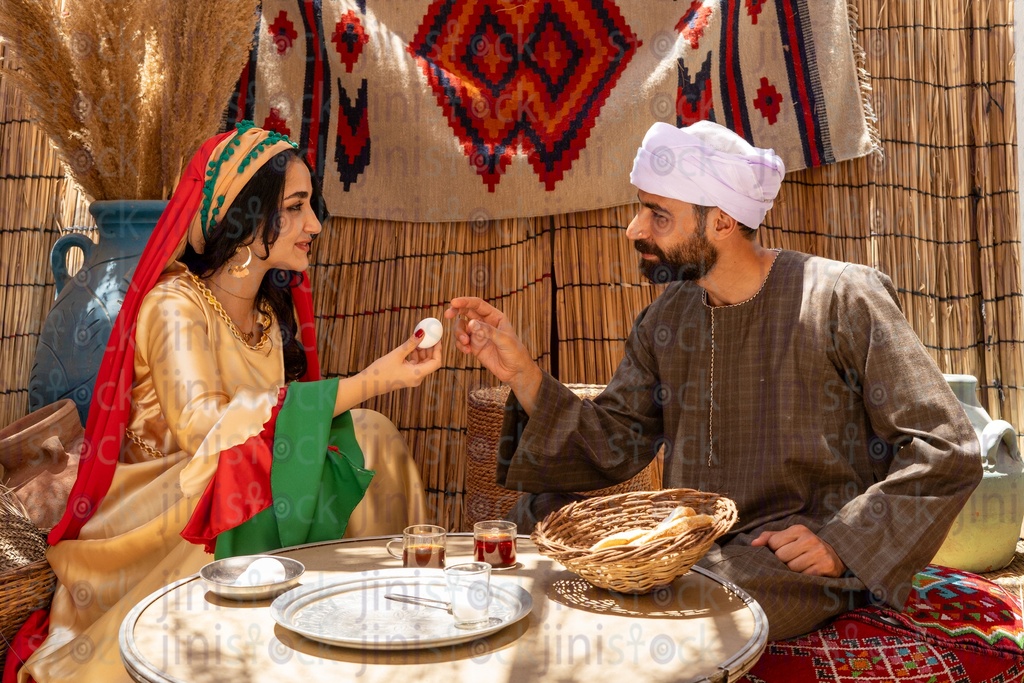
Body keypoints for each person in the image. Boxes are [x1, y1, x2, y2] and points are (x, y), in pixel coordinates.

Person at [445, 121, 982, 641]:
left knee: (705, 591)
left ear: (721, 221)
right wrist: (523, 373)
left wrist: (843, 542)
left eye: (658, 215)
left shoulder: (842, 297)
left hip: (780, 558)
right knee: (531, 517)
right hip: (689, 542)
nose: (634, 230)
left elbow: (945, 446)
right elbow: (614, 441)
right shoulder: (667, 319)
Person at [12, 122, 442, 682]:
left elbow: (268, 431)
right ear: (245, 215)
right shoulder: (174, 305)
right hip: (169, 511)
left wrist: (353, 400)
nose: (314, 224)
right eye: (296, 206)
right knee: (356, 427)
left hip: (236, 483)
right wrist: (370, 380)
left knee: (363, 436)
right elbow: (206, 431)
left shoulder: (265, 316)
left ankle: (384, 623)